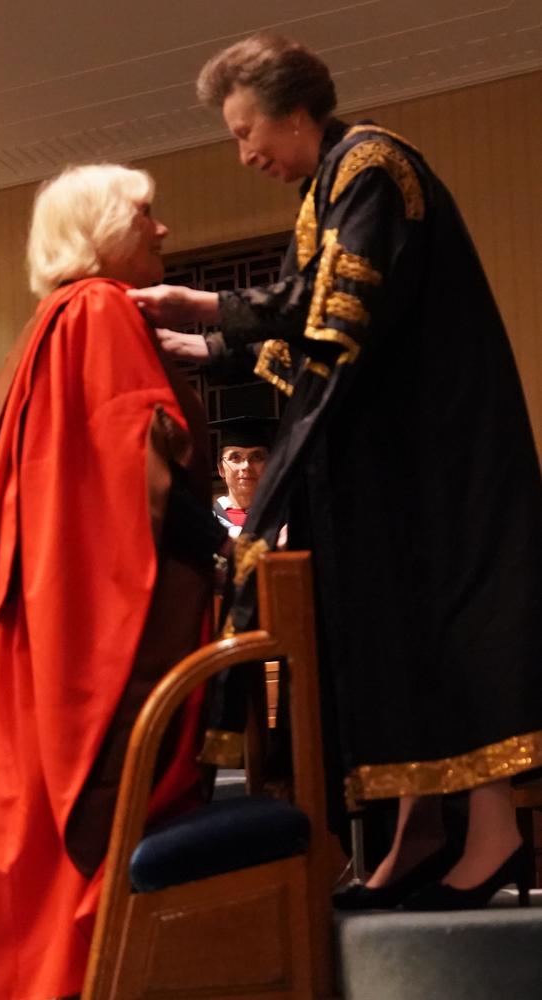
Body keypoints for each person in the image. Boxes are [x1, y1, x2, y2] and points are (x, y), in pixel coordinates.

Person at [127, 34, 542, 911]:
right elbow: (306, 325)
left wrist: (205, 307)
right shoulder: (331, 185)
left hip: (440, 455)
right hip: (394, 461)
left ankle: (494, 834)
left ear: (291, 110)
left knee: (449, 627)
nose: (245, 155)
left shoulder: (372, 166)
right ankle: (418, 832)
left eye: (247, 132)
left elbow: (335, 310)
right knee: (396, 634)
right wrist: (208, 343)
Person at [0, 163, 226, 999]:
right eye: (145, 214)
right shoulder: (99, 311)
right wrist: (231, 553)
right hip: (83, 632)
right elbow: (136, 467)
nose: (163, 230)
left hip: (42, 630)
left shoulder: (56, 318)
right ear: (96, 232)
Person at [211, 415, 275, 537]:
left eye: (256, 457)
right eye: (235, 457)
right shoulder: (207, 521)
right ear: (221, 469)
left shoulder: (284, 519)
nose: (246, 466)